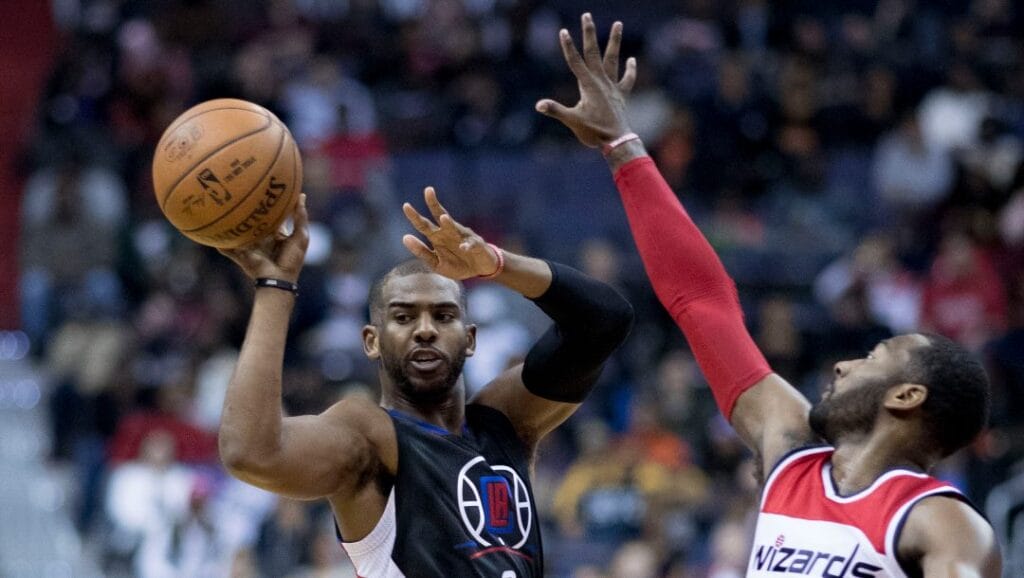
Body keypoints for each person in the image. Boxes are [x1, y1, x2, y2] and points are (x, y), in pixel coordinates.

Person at [536, 13, 1001, 577]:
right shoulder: (790, 454)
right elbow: (701, 299)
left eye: (873, 358)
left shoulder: (938, 520)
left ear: (906, 396)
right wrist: (621, 147)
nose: (844, 364)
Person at [216, 185, 634, 577]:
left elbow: (604, 320)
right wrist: (275, 287)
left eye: (444, 315)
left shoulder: (505, 422)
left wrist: (496, 264)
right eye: (403, 317)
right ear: (371, 341)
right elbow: (250, 452)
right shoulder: (371, 438)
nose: (425, 329)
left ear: (470, 340)